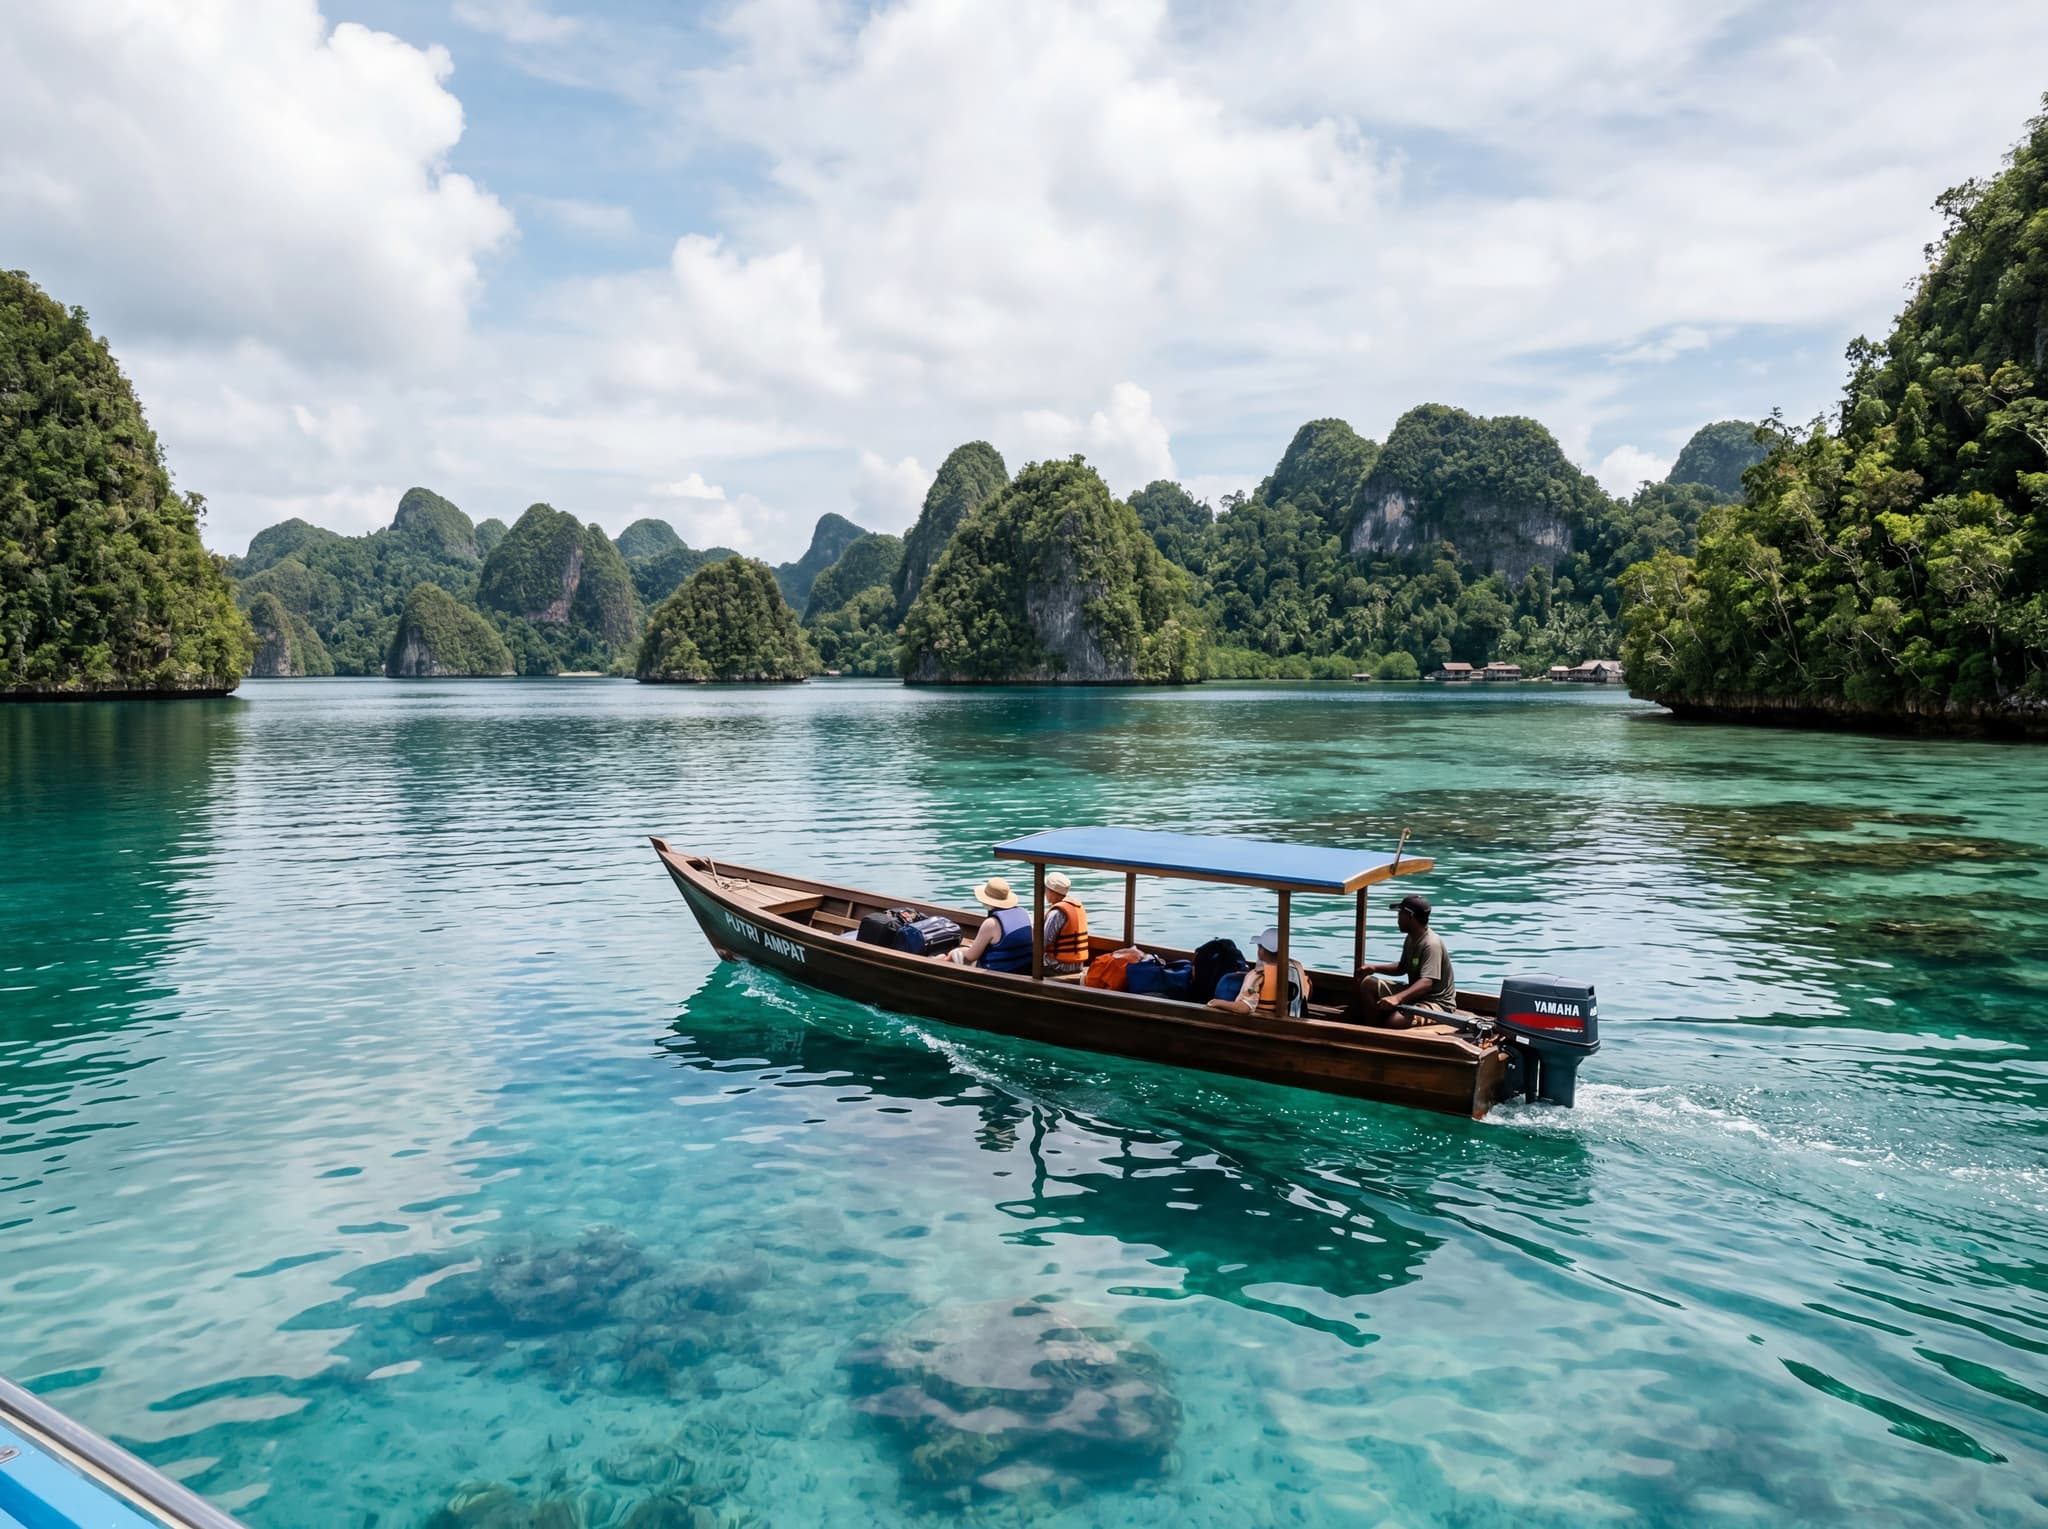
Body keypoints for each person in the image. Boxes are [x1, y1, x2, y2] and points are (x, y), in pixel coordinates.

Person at [1360, 892, 1456, 1026]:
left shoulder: (1431, 944)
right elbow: (1402, 967)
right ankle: (1370, 1030)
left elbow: (1426, 983)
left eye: (1400, 914)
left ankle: (1381, 1036)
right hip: (1416, 994)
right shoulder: (1411, 938)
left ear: (1411, 916)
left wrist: (1397, 998)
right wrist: (1374, 968)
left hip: (1436, 1003)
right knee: (1368, 984)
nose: (1398, 918)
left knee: (1395, 1021)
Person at [1207, 927, 1309, 1017]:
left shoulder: (1258, 974)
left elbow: (1245, 1008)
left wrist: (1216, 1003)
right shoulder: (1297, 966)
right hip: (1294, 1018)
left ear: (1262, 951)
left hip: (1267, 1024)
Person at [944, 875, 1035, 971]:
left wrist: (958, 951)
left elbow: (971, 956)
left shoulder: (991, 923)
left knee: (949, 956)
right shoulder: (1024, 914)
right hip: (1024, 969)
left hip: (999, 973)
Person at [1042, 871, 1091, 974]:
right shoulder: (1076, 906)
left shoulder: (1056, 913)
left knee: (1022, 961)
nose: (1045, 892)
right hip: (1078, 965)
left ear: (1052, 892)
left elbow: (1043, 942)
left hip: (1058, 966)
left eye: (1046, 889)